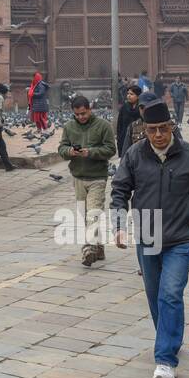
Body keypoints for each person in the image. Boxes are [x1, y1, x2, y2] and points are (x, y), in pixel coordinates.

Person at [111, 100, 189, 378]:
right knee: (155, 295)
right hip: (148, 237)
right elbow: (120, 190)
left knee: (170, 293)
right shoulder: (134, 155)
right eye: (152, 130)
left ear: (171, 127)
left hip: (181, 238)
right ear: (144, 130)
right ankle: (170, 337)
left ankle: (165, 360)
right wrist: (120, 226)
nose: (158, 134)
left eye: (163, 128)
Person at [59, 94, 117, 267]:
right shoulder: (69, 127)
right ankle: (98, 247)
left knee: (93, 212)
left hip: (97, 177)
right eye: (77, 114)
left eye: (83, 113)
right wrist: (70, 152)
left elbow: (111, 149)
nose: (81, 117)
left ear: (90, 109)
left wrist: (90, 152)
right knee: (85, 215)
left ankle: (89, 249)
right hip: (78, 176)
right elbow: (61, 148)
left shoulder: (103, 126)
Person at [115, 84, 143, 157]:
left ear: (138, 96)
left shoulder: (142, 108)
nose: (128, 96)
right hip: (124, 139)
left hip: (139, 139)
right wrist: (119, 139)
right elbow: (119, 125)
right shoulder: (124, 108)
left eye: (131, 94)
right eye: (128, 94)